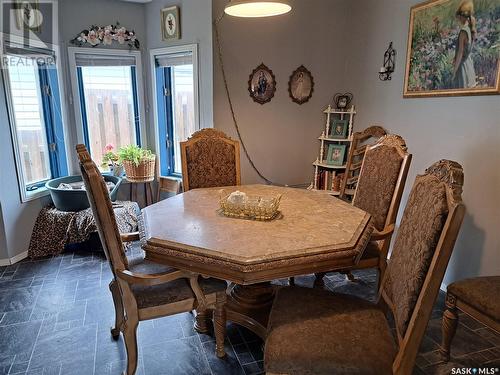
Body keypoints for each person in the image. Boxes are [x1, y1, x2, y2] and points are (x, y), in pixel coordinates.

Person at [452, 0, 477, 89]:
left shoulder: (463, 32)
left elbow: (460, 53)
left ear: (463, 16)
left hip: (462, 69)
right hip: (469, 66)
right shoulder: (471, 30)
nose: (458, 19)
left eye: (459, 16)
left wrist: (454, 71)